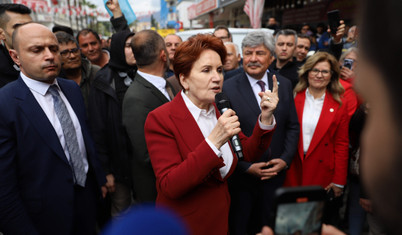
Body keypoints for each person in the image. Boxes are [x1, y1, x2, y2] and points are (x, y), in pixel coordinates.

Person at [143, 33, 278, 235]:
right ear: (184, 80)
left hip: (221, 220)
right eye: (206, 70)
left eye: (220, 70)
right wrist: (213, 142)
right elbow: (170, 185)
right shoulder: (160, 119)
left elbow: (245, 153)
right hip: (183, 225)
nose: (217, 78)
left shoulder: (219, 108)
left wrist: (265, 119)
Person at [0, 22, 106, 234]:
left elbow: (84, 137)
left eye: (54, 48)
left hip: (87, 203)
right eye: (37, 50)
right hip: (43, 218)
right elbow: (4, 188)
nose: (49, 56)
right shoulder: (5, 104)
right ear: (15, 56)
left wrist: (99, 179)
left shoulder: (71, 89)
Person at [223, 30, 300, 235]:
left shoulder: (283, 84)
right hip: (242, 180)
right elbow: (226, 135)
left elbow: (292, 125)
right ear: (241, 56)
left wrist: (285, 159)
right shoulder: (227, 88)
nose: (253, 59)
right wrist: (245, 167)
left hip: (275, 176)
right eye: (248, 53)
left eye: (260, 53)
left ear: (271, 56)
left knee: (271, 227)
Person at [284, 51, 349, 224]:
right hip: (293, 169)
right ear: (307, 72)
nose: (319, 75)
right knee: (290, 223)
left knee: (314, 223)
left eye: (325, 71)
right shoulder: (292, 97)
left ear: (332, 75)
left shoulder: (339, 104)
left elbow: (342, 144)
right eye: (315, 70)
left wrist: (339, 181)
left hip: (321, 174)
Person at [122, 30, 177, 203]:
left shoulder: (167, 84)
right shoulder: (136, 97)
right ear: (163, 55)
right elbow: (146, 153)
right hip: (157, 190)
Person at [88, 30, 136, 218]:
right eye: (128, 46)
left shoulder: (143, 73)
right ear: (117, 48)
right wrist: (106, 171)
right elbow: (97, 129)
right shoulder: (103, 80)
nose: (134, 50)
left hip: (143, 166)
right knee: (121, 215)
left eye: (136, 45)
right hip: (118, 168)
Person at [55, 31, 100, 108]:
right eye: (65, 53)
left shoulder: (97, 73)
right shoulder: (54, 80)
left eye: (74, 51)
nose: (72, 56)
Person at [0, 3, 32, 88]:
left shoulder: (50, 58)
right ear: (1, 34)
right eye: (18, 27)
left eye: (30, 26)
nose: (28, 32)